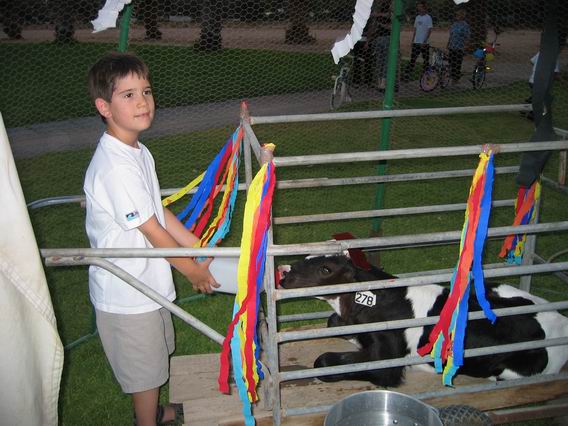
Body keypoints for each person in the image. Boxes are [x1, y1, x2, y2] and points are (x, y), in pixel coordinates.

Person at [85, 52, 219, 425]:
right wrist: (192, 270)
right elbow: (152, 230)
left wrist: (194, 243)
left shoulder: (137, 151)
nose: (142, 101)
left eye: (146, 91)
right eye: (128, 95)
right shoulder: (115, 167)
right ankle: (147, 421)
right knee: (144, 371)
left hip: (147, 280)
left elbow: (156, 210)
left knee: (155, 357)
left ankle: (156, 411)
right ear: (104, 107)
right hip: (127, 291)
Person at [365, 1, 392, 91]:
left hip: (384, 39)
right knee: (381, 61)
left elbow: (388, 24)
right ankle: (380, 81)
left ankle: (382, 81)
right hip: (380, 39)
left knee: (382, 61)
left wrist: (379, 22)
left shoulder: (384, 15)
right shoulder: (380, 16)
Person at [404, 1, 433, 80]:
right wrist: (412, 40)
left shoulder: (428, 17)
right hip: (416, 42)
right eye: (418, 7)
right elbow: (415, 30)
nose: (419, 8)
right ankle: (407, 75)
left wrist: (425, 41)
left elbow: (430, 30)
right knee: (412, 59)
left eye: (420, 7)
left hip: (424, 43)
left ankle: (425, 77)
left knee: (426, 60)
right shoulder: (417, 17)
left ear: (424, 8)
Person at [446, 9, 470, 83]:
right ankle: (453, 75)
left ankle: (455, 79)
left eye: (458, 15)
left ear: (462, 16)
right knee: (451, 61)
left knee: (457, 63)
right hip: (452, 45)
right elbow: (451, 35)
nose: (457, 16)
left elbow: (467, 36)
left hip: (459, 46)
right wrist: (448, 43)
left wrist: (466, 46)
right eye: (456, 15)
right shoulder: (454, 24)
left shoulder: (465, 25)